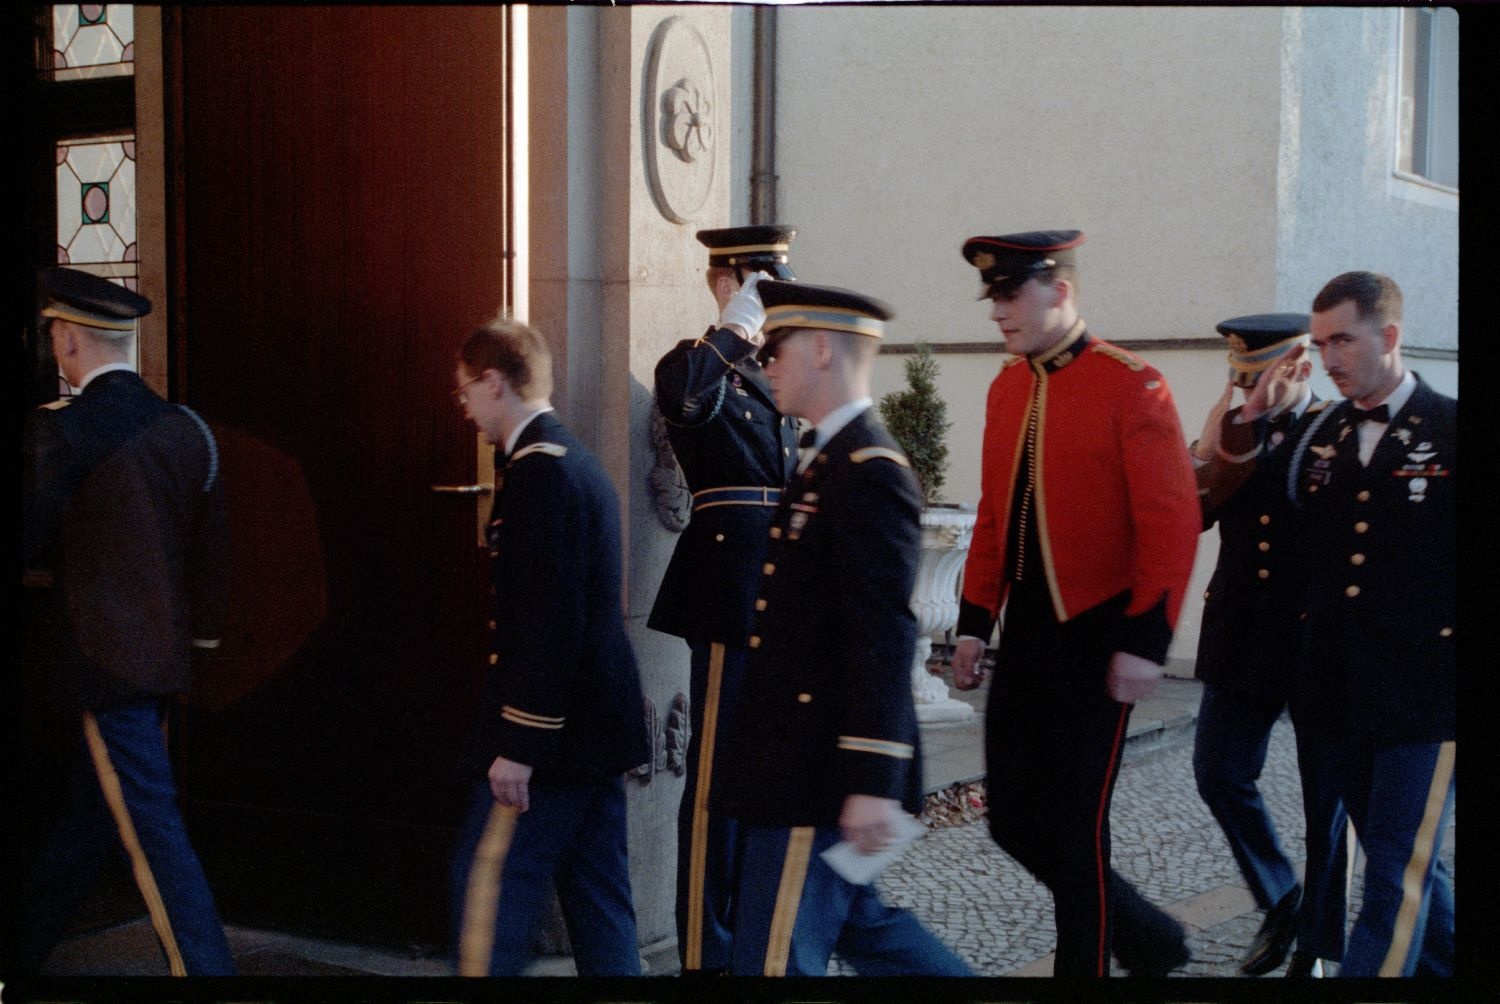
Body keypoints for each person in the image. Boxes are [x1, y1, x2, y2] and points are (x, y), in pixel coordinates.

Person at [949, 231, 1201, 977]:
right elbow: (996, 515)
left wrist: (1146, 641)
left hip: (1099, 636)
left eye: (1010, 293)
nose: (998, 311)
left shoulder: (1134, 384)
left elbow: (1171, 523)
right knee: (1014, 822)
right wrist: (971, 624)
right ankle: (1147, 936)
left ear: (1059, 289)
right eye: (992, 296)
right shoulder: (1006, 387)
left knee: (1074, 828)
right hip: (1026, 634)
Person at [710, 280, 972, 978]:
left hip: (820, 772)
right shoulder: (826, 460)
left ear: (821, 348)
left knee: (772, 960)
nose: (766, 363)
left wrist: (872, 778)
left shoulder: (868, 471)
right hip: (798, 760)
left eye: (776, 348)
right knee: (867, 929)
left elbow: (883, 633)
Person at [1213, 272, 1454, 977]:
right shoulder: (1317, 433)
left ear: (1390, 336)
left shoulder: (1452, 430)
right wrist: (1251, 412)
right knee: (1398, 861)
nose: (1329, 359)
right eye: (1320, 345)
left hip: (1424, 696)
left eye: (1343, 340)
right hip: (1336, 693)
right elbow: (1228, 495)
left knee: (1393, 879)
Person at [14, 267, 236, 975]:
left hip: (97, 668)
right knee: (88, 824)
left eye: (56, 335)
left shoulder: (60, 432)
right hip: (162, 666)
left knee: (152, 833)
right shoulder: (190, 431)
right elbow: (210, 559)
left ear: (67, 338)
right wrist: (195, 650)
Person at [449, 315, 650, 977]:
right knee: (601, 914)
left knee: (489, 906)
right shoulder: (571, 460)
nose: (465, 407)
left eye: (466, 391)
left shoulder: (541, 475)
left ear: (494, 381)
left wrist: (519, 746)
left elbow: (548, 624)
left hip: (552, 745)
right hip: (593, 733)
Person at [649, 225, 800, 974]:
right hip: (725, 587)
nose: (770, 302)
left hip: (776, 592)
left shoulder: (777, 375)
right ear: (727, 281)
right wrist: (734, 326)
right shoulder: (697, 361)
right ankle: (704, 955)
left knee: (755, 775)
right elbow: (682, 399)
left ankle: (746, 942)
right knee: (710, 784)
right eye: (759, 284)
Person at [1190, 313, 1349, 978]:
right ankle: (1282, 897)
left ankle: (1317, 944)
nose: (1247, 389)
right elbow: (1192, 515)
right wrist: (1228, 432)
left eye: (1261, 377)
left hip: (1316, 639)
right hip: (1243, 631)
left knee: (1326, 805)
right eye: (1239, 376)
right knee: (1219, 772)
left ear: (1300, 367)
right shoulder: (1231, 428)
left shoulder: (1338, 431)